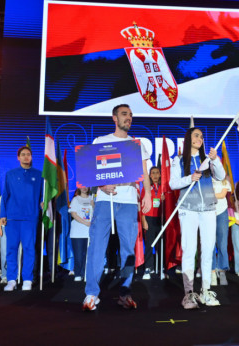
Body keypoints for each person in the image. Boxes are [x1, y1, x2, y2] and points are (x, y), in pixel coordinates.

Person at [82, 104, 152, 311]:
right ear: (114, 118)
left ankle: (125, 293)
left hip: (129, 200)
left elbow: (145, 173)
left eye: (130, 115)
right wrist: (101, 185)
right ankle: (91, 294)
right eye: (124, 114)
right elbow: (89, 171)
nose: (128, 118)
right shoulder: (101, 141)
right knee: (96, 246)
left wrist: (147, 194)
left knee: (128, 249)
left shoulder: (136, 144)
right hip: (104, 200)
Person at [170, 127, 225, 309]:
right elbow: (173, 184)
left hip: (208, 208)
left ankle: (206, 291)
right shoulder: (178, 160)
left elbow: (222, 176)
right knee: (189, 249)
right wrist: (190, 178)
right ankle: (188, 294)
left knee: (208, 249)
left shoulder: (208, 160)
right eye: (196, 135)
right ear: (188, 139)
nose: (199, 138)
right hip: (188, 209)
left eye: (201, 136)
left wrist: (215, 159)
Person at [0, 146, 43, 291]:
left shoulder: (39, 175)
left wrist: (44, 202)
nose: (26, 157)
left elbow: (43, 195)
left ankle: (27, 279)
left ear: (31, 157)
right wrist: (3, 214)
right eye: (23, 155)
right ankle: (11, 279)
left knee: (29, 248)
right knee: (11, 249)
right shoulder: (10, 174)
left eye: (28, 155)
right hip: (12, 217)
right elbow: (5, 195)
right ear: (18, 157)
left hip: (30, 217)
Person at [141, 166, 163, 280]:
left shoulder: (163, 188)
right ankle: (148, 268)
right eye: (153, 173)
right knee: (149, 244)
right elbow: (142, 204)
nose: (155, 175)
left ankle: (161, 267)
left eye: (157, 173)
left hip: (160, 219)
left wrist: (164, 199)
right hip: (149, 218)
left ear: (160, 175)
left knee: (160, 245)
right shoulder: (146, 188)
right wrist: (143, 220)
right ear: (149, 175)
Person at [69, 186, 93, 282]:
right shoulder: (75, 199)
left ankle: (85, 273)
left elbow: (96, 213)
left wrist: (94, 205)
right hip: (77, 232)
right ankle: (78, 273)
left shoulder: (92, 198)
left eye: (86, 186)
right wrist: (85, 222)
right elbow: (73, 214)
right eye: (82, 186)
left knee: (87, 254)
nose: (84, 188)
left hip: (89, 232)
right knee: (78, 254)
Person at [211, 176, 231, 285]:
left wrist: (211, 195)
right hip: (209, 212)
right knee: (211, 244)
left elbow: (223, 195)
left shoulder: (225, 180)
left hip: (222, 213)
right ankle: (212, 272)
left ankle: (222, 271)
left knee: (222, 243)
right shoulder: (207, 178)